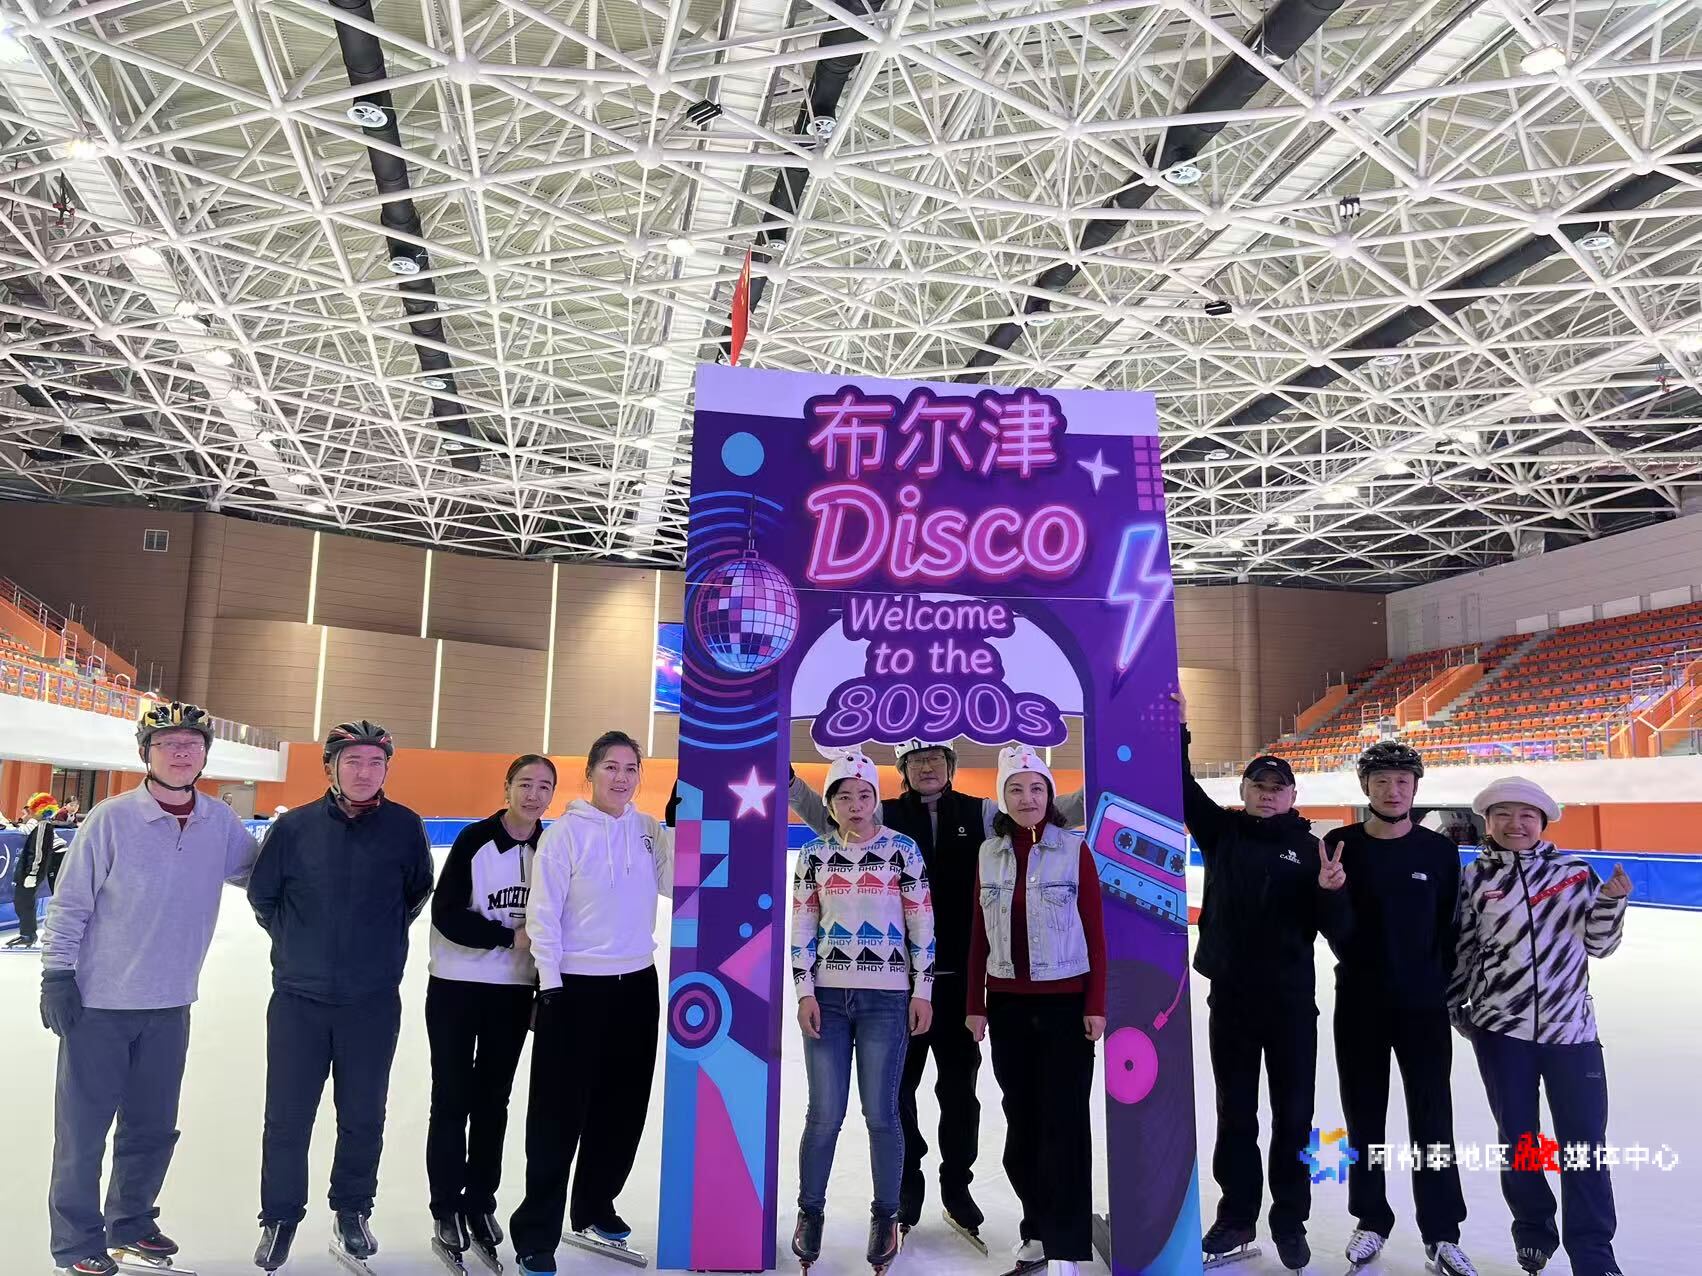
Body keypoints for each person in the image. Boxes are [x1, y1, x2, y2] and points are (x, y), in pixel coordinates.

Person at [788, 740, 1086, 1242]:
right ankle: (907, 1186)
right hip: (894, 987)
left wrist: (1104, 783)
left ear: (951, 766)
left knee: (959, 1090)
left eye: (937, 759)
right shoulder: (880, 813)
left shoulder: (982, 812)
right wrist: (792, 782)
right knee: (896, 1093)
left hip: (961, 979)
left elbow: (1041, 809)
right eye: (917, 760)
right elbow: (827, 814)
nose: (927, 766)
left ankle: (957, 1184)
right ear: (903, 770)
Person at [40, 702, 260, 1276]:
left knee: (152, 1128)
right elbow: (70, 903)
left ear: (205, 755)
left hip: (170, 1004)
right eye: (167, 744)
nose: (181, 753)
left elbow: (263, 876)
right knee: (83, 1132)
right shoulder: (110, 820)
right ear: (146, 754)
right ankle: (76, 1242)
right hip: (99, 1005)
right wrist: (57, 974)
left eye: (192, 744)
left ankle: (131, 1223)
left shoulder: (219, 822)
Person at [247, 720, 434, 1273]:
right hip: (298, 1001)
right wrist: (301, 945)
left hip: (371, 1002)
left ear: (386, 770)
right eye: (353, 761)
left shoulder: (405, 826)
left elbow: (415, 892)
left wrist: (371, 947)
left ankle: (352, 1210)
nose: (364, 771)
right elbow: (264, 899)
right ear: (330, 767)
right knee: (287, 1117)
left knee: (363, 1115)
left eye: (375, 762)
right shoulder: (294, 828)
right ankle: (279, 1216)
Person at [1176, 693, 1348, 1274]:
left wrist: (1332, 892)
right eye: (1259, 785)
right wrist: (1180, 730)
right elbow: (1181, 787)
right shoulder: (1222, 832)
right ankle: (1236, 1217)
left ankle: (1290, 1220)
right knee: (1236, 1115)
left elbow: (1338, 932)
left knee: (1295, 1116)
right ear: (1244, 790)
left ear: (1293, 795)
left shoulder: (1313, 849)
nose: (1268, 793)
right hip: (1231, 1000)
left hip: (1292, 1005)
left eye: (1278, 786)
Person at [1450, 777, 1631, 1276]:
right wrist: (1455, 1005)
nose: (1516, 824)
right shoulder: (1474, 878)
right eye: (1503, 815)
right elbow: (1462, 947)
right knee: (1519, 1139)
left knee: (1584, 1144)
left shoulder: (1575, 873)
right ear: (1488, 823)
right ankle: (1533, 1230)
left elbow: (1600, 945)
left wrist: (1611, 902)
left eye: (1527, 815)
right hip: (1501, 1032)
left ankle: (1593, 1253)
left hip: (1572, 1032)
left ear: (1543, 822)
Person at [509, 730, 672, 1276]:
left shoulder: (647, 830)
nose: (621, 778)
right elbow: (543, 915)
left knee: (622, 1106)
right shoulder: (564, 835)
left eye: (631, 769)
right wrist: (550, 983)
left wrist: (682, 826)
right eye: (611, 767)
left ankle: (596, 1203)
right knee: (557, 1115)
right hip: (575, 987)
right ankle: (536, 1232)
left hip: (637, 983)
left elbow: (679, 883)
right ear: (591, 773)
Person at [1323, 741, 1475, 1276]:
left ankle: (1442, 1231)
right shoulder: (1339, 846)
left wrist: (1441, 988)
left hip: (1422, 1006)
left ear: (1415, 788)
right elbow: (1331, 928)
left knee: (1433, 1117)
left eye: (1402, 781)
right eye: (1382, 781)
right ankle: (1371, 1219)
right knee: (1363, 1116)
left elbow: (1451, 928)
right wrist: (1330, 895)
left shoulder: (1438, 851)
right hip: (1359, 1003)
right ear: (1366, 786)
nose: (1393, 790)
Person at [788, 750, 935, 1275]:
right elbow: (802, 925)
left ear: (877, 800)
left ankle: (886, 1215)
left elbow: (921, 923)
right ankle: (810, 1213)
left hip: (886, 1000)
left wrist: (922, 991)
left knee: (882, 1114)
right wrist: (805, 992)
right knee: (824, 1114)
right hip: (827, 1000)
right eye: (844, 795)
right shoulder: (813, 855)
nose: (855, 804)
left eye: (864, 794)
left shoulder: (902, 850)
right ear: (830, 803)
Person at [963, 746, 1105, 1276]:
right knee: (1022, 1126)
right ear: (1003, 797)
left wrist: (1095, 1003)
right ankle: (1037, 1229)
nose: (1028, 798)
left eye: (1037, 788)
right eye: (1016, 789)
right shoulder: (988, 853)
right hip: (1008, 1007)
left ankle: (1065, 1240)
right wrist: (975, 1004)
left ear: (1050, 795)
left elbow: (1095, 931)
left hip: (1066, 1005)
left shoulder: (1074, 850)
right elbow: (977, 935)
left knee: (1063, 1124)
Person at [425, 755, 556, 1270]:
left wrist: (544, 989)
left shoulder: (552, 848)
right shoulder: (474, 840)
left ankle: (480, 1201)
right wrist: (507, 936)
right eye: (525, 783)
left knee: (493, 1101)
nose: (533, 794)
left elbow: (560, 924)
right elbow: (446, 914)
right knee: (451, 1098)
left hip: (513, 993)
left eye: (544, 786)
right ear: (507, 787)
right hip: (456, 986)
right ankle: (445, 1206)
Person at [7, 791, 60, 948]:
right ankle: (27, 933)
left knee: (24, 901)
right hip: (31, 869)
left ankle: (28, 934)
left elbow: (38, 851)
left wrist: (32, 873)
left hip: (32, 870)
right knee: (22, 901)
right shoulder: (42, 825)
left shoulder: (43, 826)